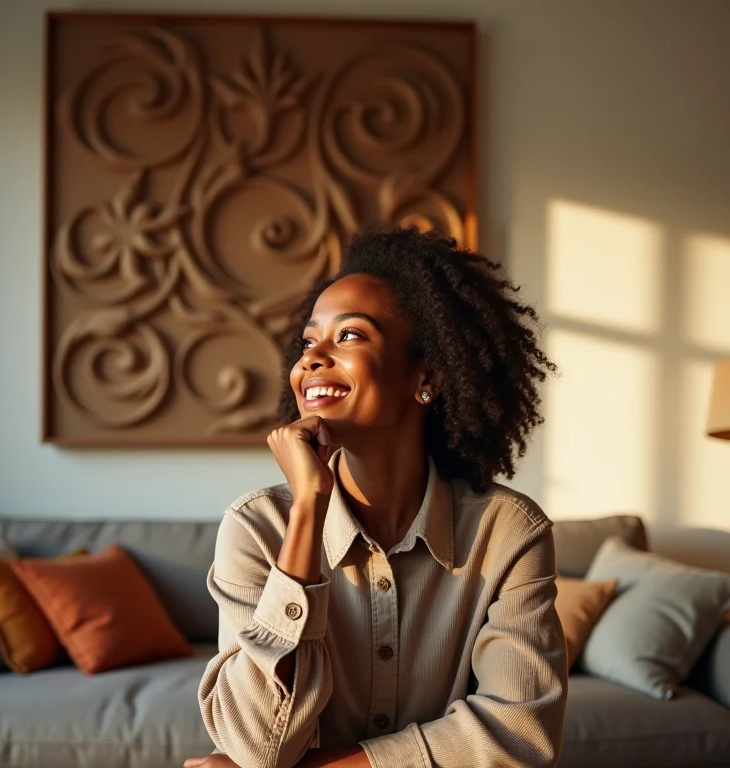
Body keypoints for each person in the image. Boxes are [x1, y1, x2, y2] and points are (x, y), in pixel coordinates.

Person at [185, 227, 568, 768]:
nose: (312, 358)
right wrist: (308, 511)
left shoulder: (509, 531)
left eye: (349, 336)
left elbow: (518, 736)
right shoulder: (257, 526)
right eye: (307, 342)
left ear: (426, 375)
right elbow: (255, 746)